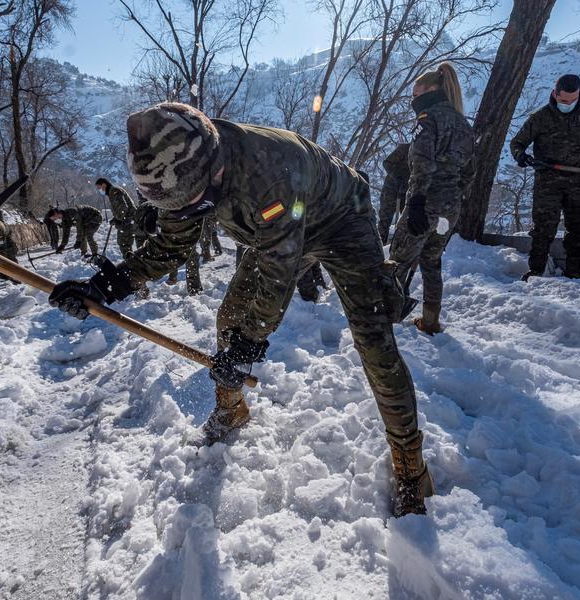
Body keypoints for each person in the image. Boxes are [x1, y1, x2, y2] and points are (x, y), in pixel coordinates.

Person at [49, 102, 433, 516]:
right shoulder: (182, 172)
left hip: (341, 219)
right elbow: (171, 246)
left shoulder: (268, 173)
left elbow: (278, 273)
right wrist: (107, 285)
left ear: (215, 169)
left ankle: (411, 464)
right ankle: (231, 408)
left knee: (373, 340)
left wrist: (249, 343)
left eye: (195, 205)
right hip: (279, 231)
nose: (189, 214)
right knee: (230, 318)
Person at [389, 63, 474, 335]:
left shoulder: (428, 118)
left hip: (425, 203)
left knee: (397, 261)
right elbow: (470, 171)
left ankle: (384, 317)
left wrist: (416, 201)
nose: (413, 100)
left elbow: (422, 164)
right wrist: (453, 195)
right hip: (450, 209)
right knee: (432, 260)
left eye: (416, 94)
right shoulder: (463, 124)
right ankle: (430, 320)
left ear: (431, 90)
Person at [510, 73, 580, 280]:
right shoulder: (540, 117)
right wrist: (521, 156)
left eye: (573, 100)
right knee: (544, 227)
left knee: (579, 226)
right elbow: (517, 143)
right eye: (564, 101)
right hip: (548, 178)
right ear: (555, 94)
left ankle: (575, 270)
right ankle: (536, 270)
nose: (568, 104)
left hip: (578, 176)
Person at [377, 143, 410, 245]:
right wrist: (399, 176)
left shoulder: (424, 154)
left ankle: (399, 247)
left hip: (406, 193)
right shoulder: (404, 148)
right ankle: (379, 245)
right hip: (390, 190)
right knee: (384, 220)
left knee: (406, 221)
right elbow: (387, 163)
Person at [96, 177, 137, 258]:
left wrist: (117, 219)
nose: (99, 190)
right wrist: (115, 218)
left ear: (104, 185)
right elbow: (119, 209)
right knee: (125, 244)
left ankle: (130, 262)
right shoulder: (112, 191)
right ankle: (130, 261)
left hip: (127, 221)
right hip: (126, 221)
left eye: (99, 188)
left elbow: (123, 208)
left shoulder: (114, 191)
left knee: (124, 244)